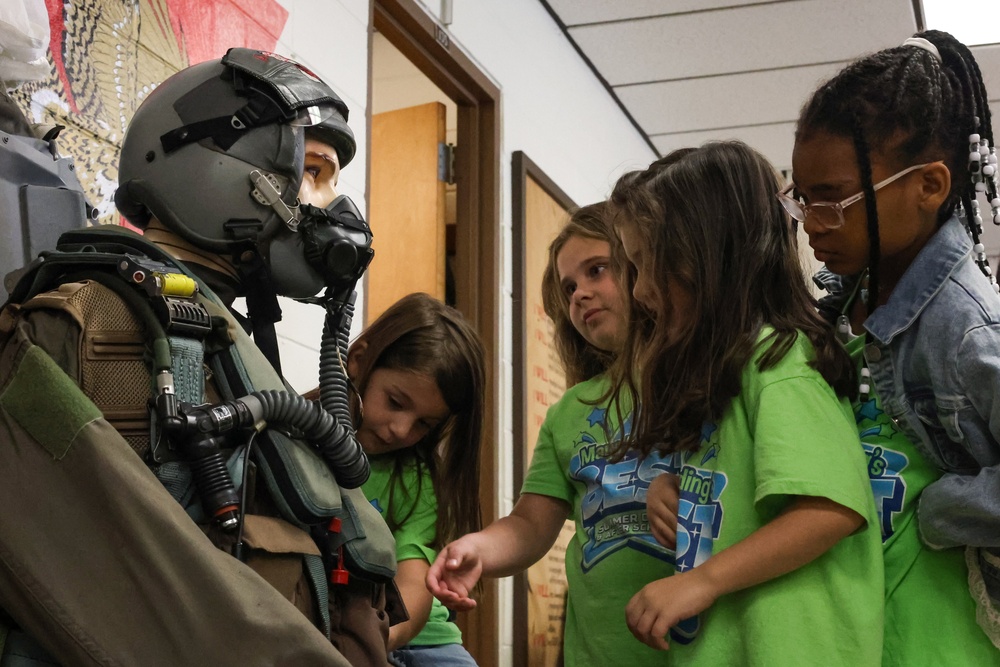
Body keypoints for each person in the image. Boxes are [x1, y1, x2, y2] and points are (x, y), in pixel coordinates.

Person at [0, 48, 398, 666]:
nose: (334, 209)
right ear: (224, 165)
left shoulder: (224, 346)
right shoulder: (89, 324)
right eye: (313, 172)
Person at [608, 141, 884, 663]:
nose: (640, 290)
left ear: (707, 256)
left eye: (647, 265)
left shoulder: (779, 364)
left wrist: (705, 580)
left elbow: (830, 508)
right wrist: (678, 492)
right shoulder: (736, 373)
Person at [785, 30, 1000, 658]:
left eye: (831, 202)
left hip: (948, 633)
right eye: (802, 200)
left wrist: (936, 509)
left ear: (929, 186)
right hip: (868, 622)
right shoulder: (849, 295)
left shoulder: (966, 326)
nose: (813, 225)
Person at [426, 202, 677, 665]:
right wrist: (477, 548)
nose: (580, 294)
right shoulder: (570, 411)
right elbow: (528, 526)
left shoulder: (696, 379)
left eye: (597, 270)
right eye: (569, 286)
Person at [318, 292, 485, 666]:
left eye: (424, 423)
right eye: (395, 402)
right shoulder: (294, 436)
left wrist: (376, 641)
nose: (400, 430)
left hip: (421, 641)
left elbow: (415, 585)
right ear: (359, 360)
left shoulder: (417, 480)